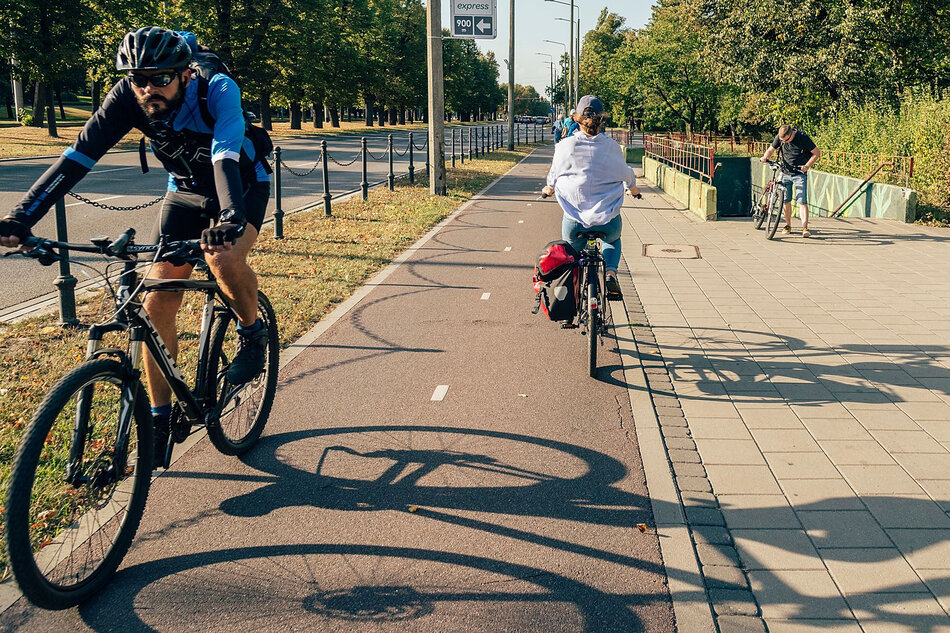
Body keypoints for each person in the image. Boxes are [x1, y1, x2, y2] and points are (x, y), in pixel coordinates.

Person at [0, 27, 272, 464]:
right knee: (157, 300)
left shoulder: (217, 89)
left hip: (240, 184)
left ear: (184, 74)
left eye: (159, 78)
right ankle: (159, 417)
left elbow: (224, 153)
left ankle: (252, 333)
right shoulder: (127, 97)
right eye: (137, 79)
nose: (148, 88)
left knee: (222, 256)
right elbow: (77, 157)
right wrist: (22, 216)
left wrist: (230, 216)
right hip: (183, 188)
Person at [541, 95, 640, 300]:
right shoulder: (612, 147)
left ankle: (571, 293)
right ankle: (611, 273)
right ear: (602, 120)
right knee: (612, 239)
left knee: (571, 254)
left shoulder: (565, 146)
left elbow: (554, 174)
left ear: (577, 119)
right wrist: (634, 189)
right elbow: (626, 173)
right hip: (607, 219)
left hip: (575, 219)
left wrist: (548, 189)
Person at [760, 124, 821, 237]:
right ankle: (788, 225)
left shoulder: (802, 137)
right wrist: (765, 157)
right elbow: (771, 149)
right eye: (782, 141)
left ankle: (805, 228)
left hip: (799, 174)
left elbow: (816, 153)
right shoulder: (780, 137)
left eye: (786, 140)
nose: (785, 142)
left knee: (802, 201)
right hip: (785, 172)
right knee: (786, 200)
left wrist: (807, 166)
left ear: (791, 133)